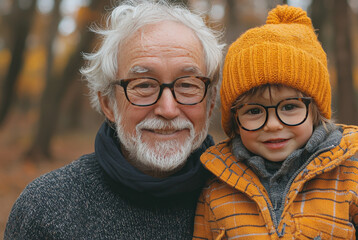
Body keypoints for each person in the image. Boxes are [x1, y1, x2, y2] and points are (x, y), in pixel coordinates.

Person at [193, 5, 358, 240]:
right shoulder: (217, 190)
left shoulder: (349, 178)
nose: (273, 124)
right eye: (254, 110)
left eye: (289, 107)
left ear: (315, 111)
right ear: (234, 119)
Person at [5, 0, 224, 239]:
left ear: (210, 102)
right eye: (144, 85)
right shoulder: (45, 208)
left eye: (187, 85)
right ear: (108, 103)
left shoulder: (249, 200)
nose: (168, 109)